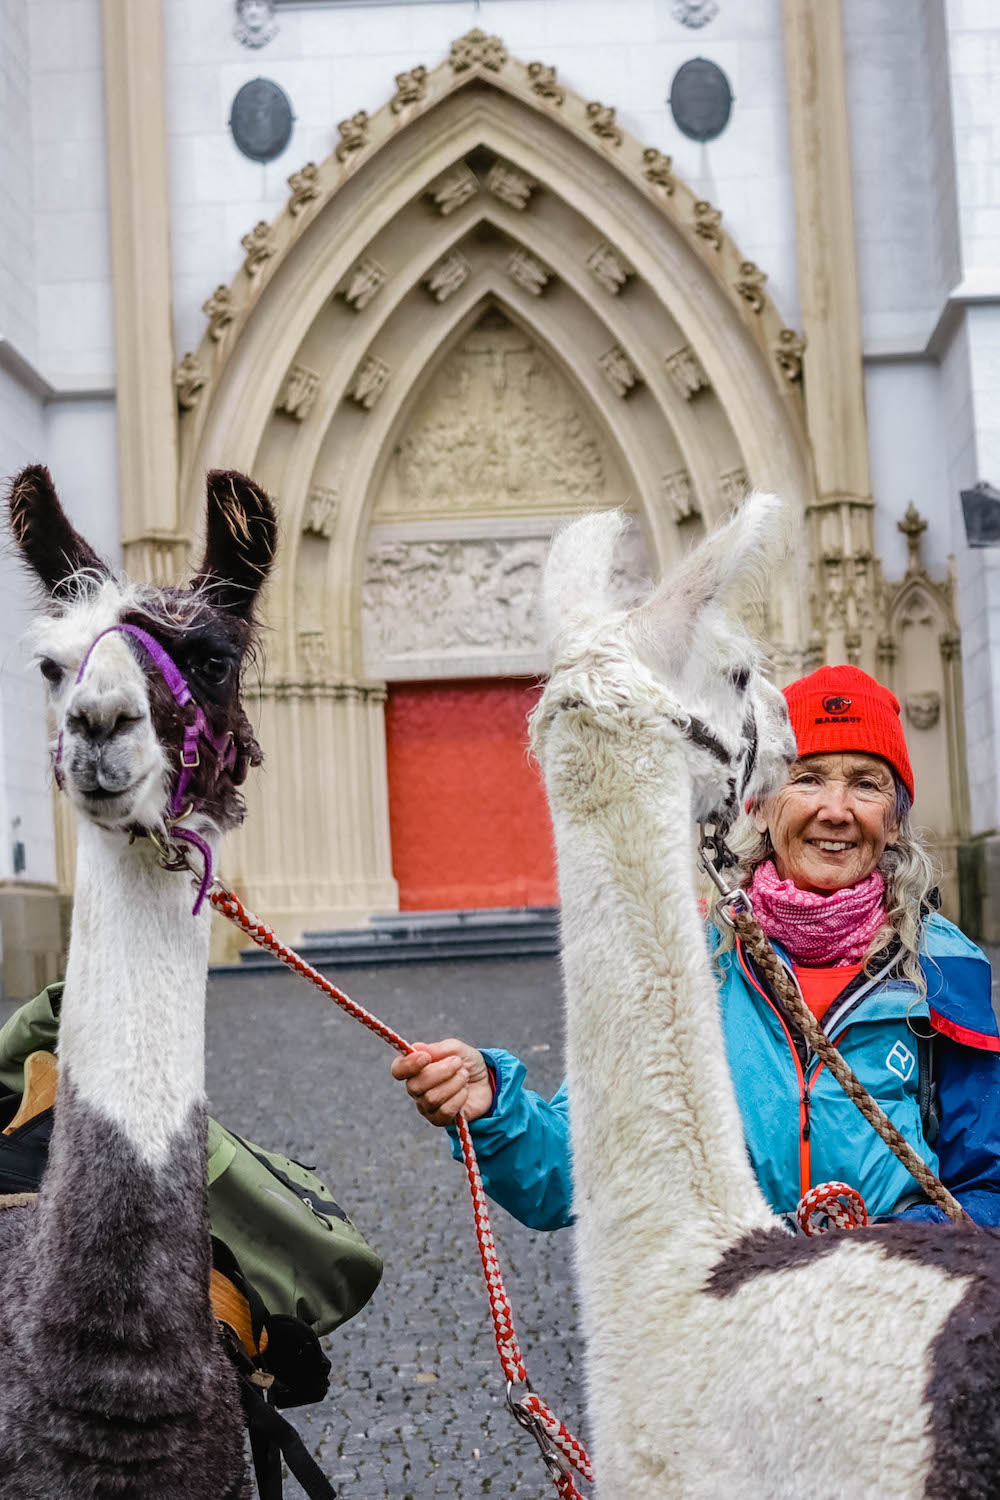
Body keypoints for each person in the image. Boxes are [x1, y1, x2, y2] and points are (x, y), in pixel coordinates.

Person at [391, 665, 1000, 1229]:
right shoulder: (681, 965)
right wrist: (495, 1111)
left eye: (866, 784)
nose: (834, 810)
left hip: (892, 1319)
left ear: (893, 821)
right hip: (729, 1318)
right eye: (807, 778)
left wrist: (878, 1256)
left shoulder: (946, 969)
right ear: (758, 807)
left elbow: (987, 1185)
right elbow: (584, 1172)